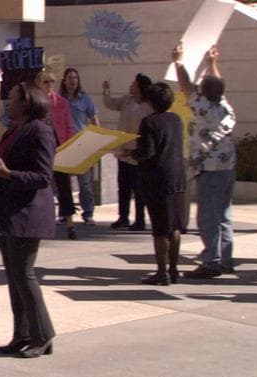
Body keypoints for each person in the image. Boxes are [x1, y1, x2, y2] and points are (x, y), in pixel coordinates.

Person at [0, 82, 57, 358]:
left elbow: (43, 177)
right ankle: (22, 334)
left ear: (28, 102)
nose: (8, 102)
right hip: (8, 213)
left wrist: (8, 175)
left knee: (24, 274)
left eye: (14, 98)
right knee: (15, 277)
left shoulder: (40, 130)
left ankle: (42, 335)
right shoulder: (14, 130)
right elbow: (0, 163)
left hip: (27, 213)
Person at [173, 43, 237, 279]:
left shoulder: (203, 108)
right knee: (223, 214)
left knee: (207, 216)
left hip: (208, 167)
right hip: (227, 166)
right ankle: (226, 259)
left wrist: (178, 61)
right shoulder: (223, 106)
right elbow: (216, 85)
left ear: (204, 92)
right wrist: (211, 63)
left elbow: (185, 86)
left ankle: (211, 262)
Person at [131, 82, 187, 286]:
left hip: (157, 180)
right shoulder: (176, 120)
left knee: (160, 228)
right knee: (175, 226)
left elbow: (147, 153)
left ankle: (161, 272)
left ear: (150, 101)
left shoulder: (149, 122)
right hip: (178, 177)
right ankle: (174, 269)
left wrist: (129, 153)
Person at [102, 74, 153, 231]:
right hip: (123, 150)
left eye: (134, 84)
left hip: (138, 153)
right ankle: (123, 217)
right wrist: (106, 91)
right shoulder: (126, 100)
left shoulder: (149, 106)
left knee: (139, 189)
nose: (131, 86)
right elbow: (110, 104)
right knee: (123, 187)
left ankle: (139, 219)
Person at [34, 70, 78, 240]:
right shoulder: (35, 102)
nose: (50, 85)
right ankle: (41, 220)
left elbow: (68, 125)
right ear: (39, 83)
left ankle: (69, 222)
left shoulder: (61, 102)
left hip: (59, 144)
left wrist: (69, 146)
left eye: (52, 81)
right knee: (41, 183)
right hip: (41, 145)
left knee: (63, 183)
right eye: (46, 82)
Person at [60, 67, 100, 225]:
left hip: (81, 145)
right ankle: (65, 212)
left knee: (85, 182)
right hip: (64, 144)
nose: (73, 80)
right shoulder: (58, 99)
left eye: (75, 78)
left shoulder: (85, 99)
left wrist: (96, 139)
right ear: (64, 80)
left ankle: (88, 213)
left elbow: (94, 119)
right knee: (63, 182)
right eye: (70, 78)